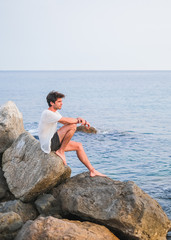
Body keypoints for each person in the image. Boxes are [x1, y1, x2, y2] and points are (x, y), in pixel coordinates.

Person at [38, 91, 106, 177]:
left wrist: (78, 119)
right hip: (49, 144)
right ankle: (61, 151)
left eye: (61, 101)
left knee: (79, 146)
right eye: (59, 102)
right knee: (73, 126)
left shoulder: (55, 113)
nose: (61, 104)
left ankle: (92, 170)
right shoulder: (47, 113)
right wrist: (80, 121)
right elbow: (67, 121)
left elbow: (66, 122)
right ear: (51, 103)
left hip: (53, 141)